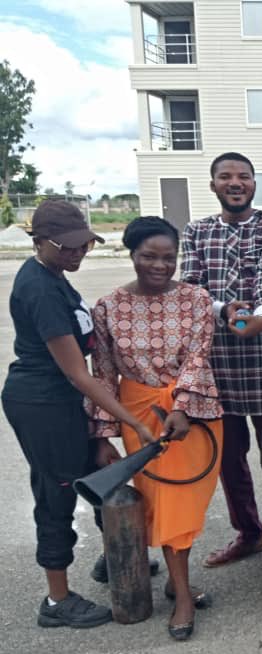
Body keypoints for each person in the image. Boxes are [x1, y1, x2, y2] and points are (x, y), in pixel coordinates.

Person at [2, 200, 157, 629]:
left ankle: (113, 558)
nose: (77, 253)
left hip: (63, 401)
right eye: (66, 247)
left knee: (99, 471)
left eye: (83, 244)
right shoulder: (39, 289)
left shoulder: (55, 277)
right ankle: (56, 599)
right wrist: (132, 421)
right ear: (38, 241)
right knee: (58, 491)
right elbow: (77, 374)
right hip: (42, 403)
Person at [89, 216, 224, 640]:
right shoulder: (108, 307)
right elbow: (104, 373)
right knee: (166, 504)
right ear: (130, 254)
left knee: (188, 501)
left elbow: (199, 357)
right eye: (149, 256)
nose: (160, 265)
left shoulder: (197, 300)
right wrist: (102, 436)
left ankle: (172, 578)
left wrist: (182, 407)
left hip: (194, 415)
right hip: (139, 416)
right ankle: (182, 595)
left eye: (169, 257)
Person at [181, 152, 262, 567]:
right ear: (212, 185)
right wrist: (225, 309)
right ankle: (249, 532)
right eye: (225, 176)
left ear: (253, 184)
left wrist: (260, 313)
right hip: (218, 362)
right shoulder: (197, 231)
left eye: (243, 176)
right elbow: (192, 287)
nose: (235, 183)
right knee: (229, 458)